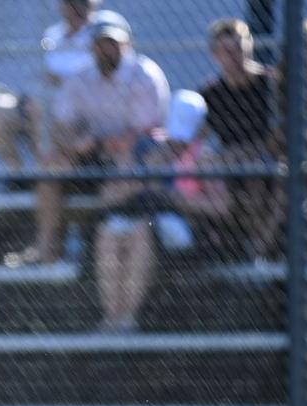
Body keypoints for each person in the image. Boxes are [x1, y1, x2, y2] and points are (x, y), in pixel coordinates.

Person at [6, 12, 169, 266]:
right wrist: (74, 143)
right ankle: (47, 251)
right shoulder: (81, 77)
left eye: (113, 43)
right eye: (100, 44)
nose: (106, 50)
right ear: (91, 47)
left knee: (125, 160)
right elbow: (62, 124)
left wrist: (99, 144)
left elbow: (144, 132)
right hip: (92, 154)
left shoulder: (144, 74)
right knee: (51, 168)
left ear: (127, 45)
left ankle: (94, 251)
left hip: (134, 154)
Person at [93, 90, 230, 331]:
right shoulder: (146, 149)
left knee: (140, 231)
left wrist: (175, 197)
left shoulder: (204, 156)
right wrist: (141, 180)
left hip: (184, 226)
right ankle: (111, 317)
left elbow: (220, 207)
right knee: (108, 233)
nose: (178, 144)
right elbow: (107, 197)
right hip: (140, 215)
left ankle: (127, 320)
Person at [0, 0, 100, 183]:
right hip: (46, 100)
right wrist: (34, 95)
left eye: (82, 3)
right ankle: (18, 176)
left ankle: (44, 176)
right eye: (70, 3)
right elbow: (45, 77)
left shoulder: (102, 31)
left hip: (81, 108)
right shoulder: (53, 34)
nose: (76, 8)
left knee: (41, 110)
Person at [199, 18, 281, 263]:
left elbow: (278, 139)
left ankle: (257, 251)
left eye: (239, 49)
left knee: (256, 179)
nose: (234, 57)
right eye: (226, 51)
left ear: (250, 47)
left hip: (270, 162)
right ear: (215, 55)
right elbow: (198, 138)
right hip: (230, 167)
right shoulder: (211, 93)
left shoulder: (271, 83)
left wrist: (243, 154)